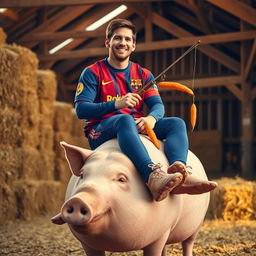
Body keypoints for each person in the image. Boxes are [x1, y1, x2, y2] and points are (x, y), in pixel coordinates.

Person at [74, 18, 217, 202]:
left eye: (127, 39)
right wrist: (116, 104)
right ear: (108, 42)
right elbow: (81, 109)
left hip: (133, 125)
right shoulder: (93, 72)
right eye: (118, 38)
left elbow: (158, 105)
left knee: (176, 123)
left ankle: (180, 172)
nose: (122, 43)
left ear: (134, 45)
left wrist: (151, 119)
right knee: (124, 119)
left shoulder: (143, 74)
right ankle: (152, 175)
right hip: (100, 130)